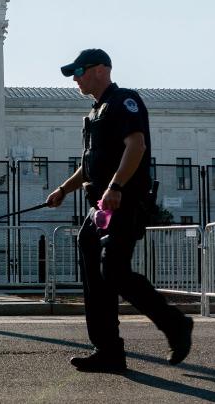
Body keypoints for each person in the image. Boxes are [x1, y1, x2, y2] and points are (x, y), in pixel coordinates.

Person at [46, 48, 193, 373]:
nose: (75, 78)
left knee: (114, 272)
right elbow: (89, 167)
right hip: (99, 207)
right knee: (93, 275)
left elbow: (136, 146)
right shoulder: (95, 112)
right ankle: (108, 349)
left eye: (79, 70)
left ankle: (175, 325)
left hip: (122, 203)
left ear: (100, 70)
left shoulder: (124, 102)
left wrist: (116, 187)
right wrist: (62, 190)